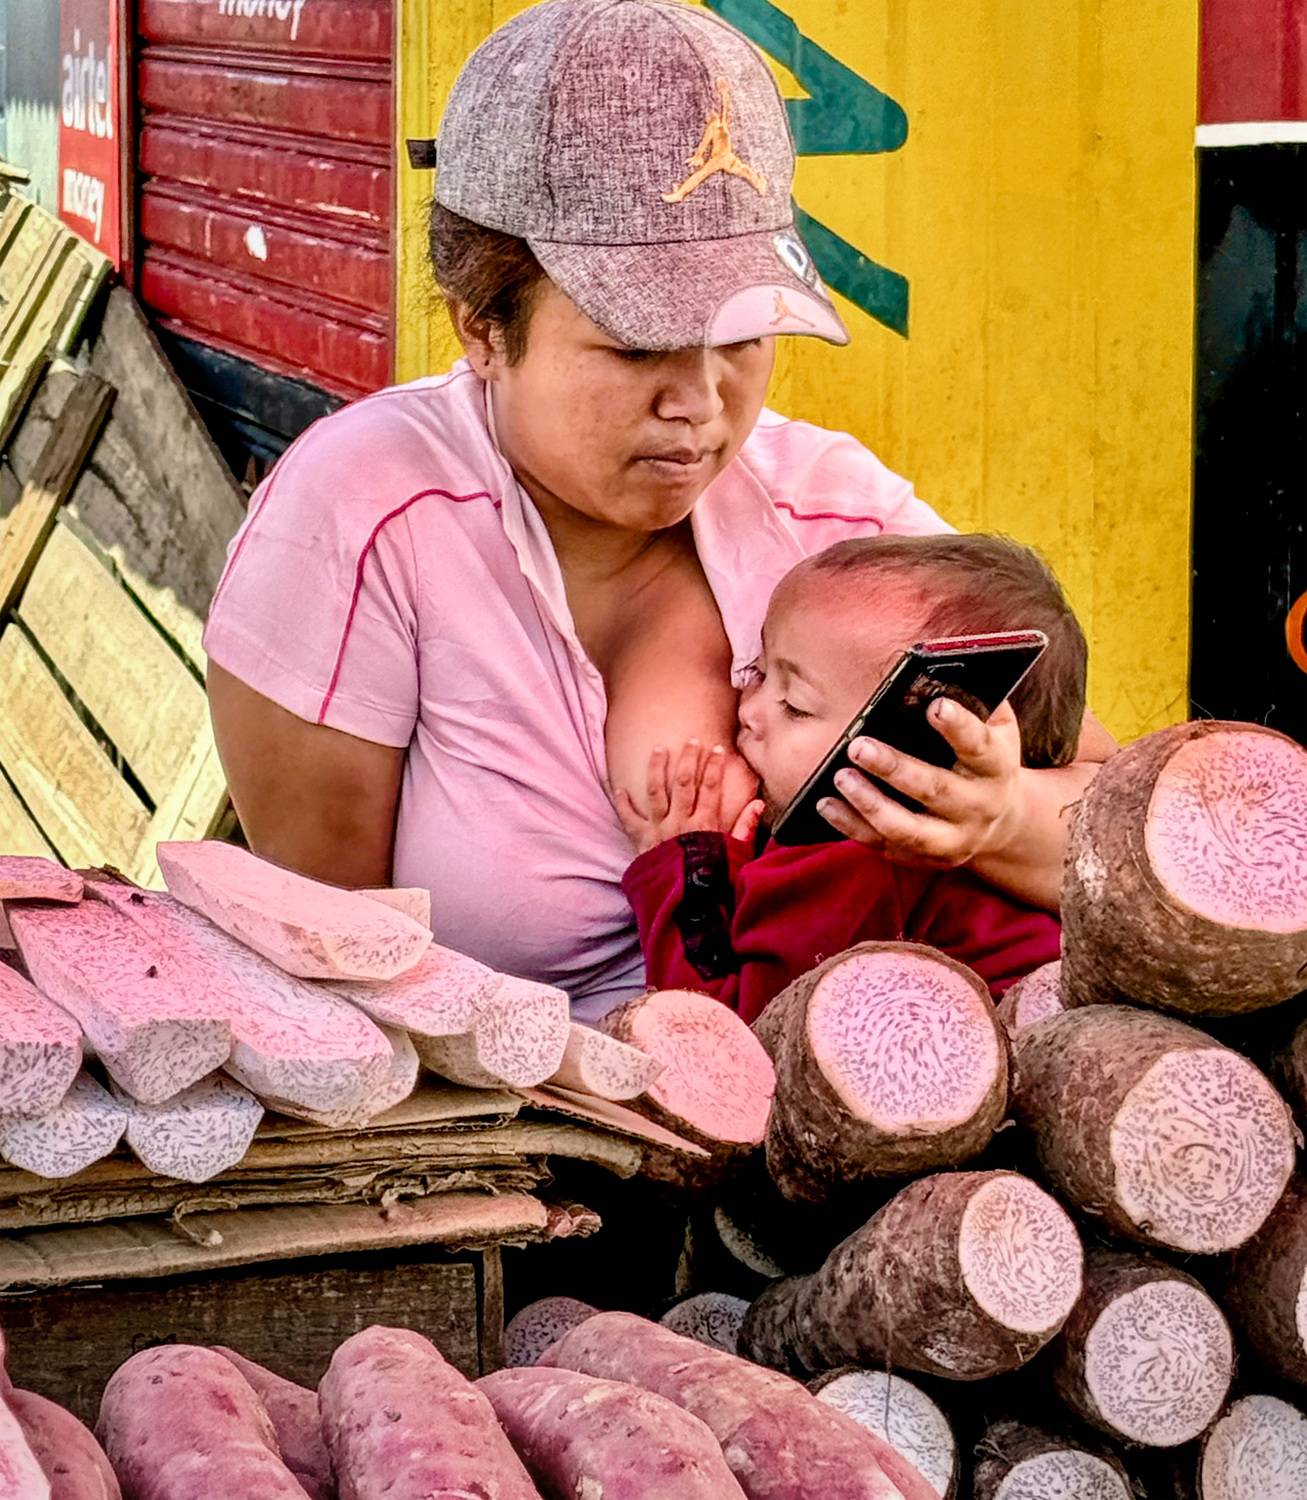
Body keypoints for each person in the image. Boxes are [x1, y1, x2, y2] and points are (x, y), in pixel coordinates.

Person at [203, 0, 1114, 1022]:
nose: (701, 403)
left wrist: (995, 822)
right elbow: (329, 950)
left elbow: (1112, 807)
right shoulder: (365, 515)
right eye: (636, 348)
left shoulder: (828, 509)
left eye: (742, 337)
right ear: (483, 330)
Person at [616, 533, 1083, 1022]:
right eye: (756, 671)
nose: (749, 710)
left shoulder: (846, 858)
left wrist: (686, 869)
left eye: (795, 705)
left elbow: (733, 1035)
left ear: (917, 756)